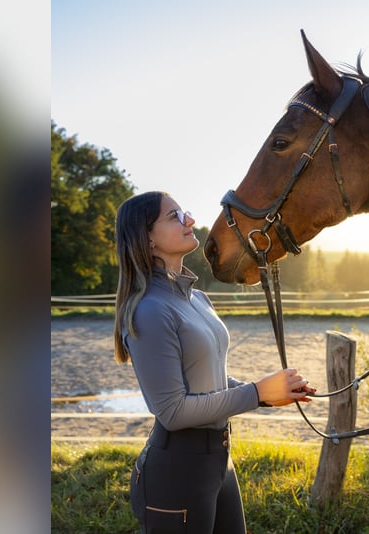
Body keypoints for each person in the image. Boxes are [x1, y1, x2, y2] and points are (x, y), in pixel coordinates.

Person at [114, 191, 315, 534]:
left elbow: (211, 376)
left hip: (219, 463)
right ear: (147, 239)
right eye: (174, 216)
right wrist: (255, 393)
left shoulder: (198, 299)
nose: (190, 220)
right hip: (176, 472)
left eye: (185, 213)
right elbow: (173, 411)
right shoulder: (149, 310)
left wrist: (269, 392)